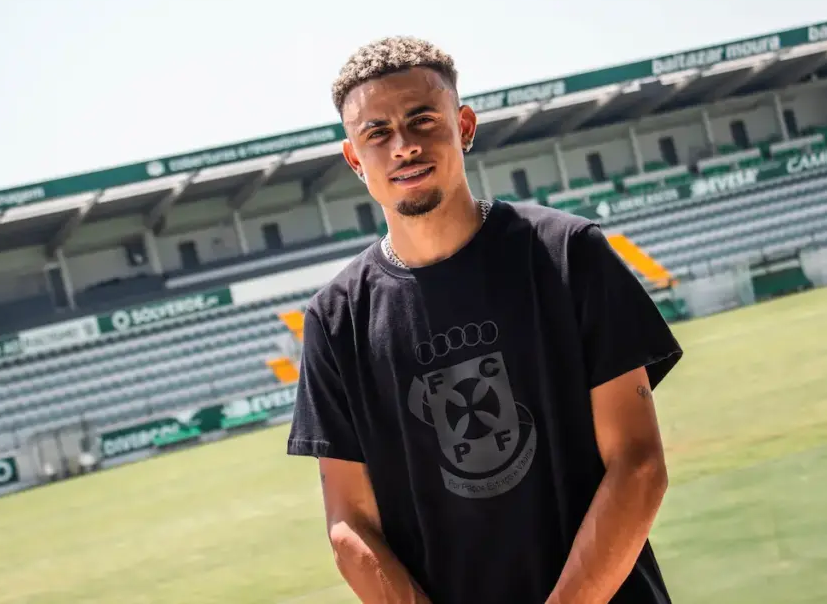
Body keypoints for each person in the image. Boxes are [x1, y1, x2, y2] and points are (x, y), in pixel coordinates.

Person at [286, 36, 683, 604]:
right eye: (377, 133)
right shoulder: (335, 322)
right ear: (355, 159)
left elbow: (639, 464)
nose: (403, 146)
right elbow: (349, 522)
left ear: (464, 126)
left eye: (422, 120)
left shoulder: (569, 254)